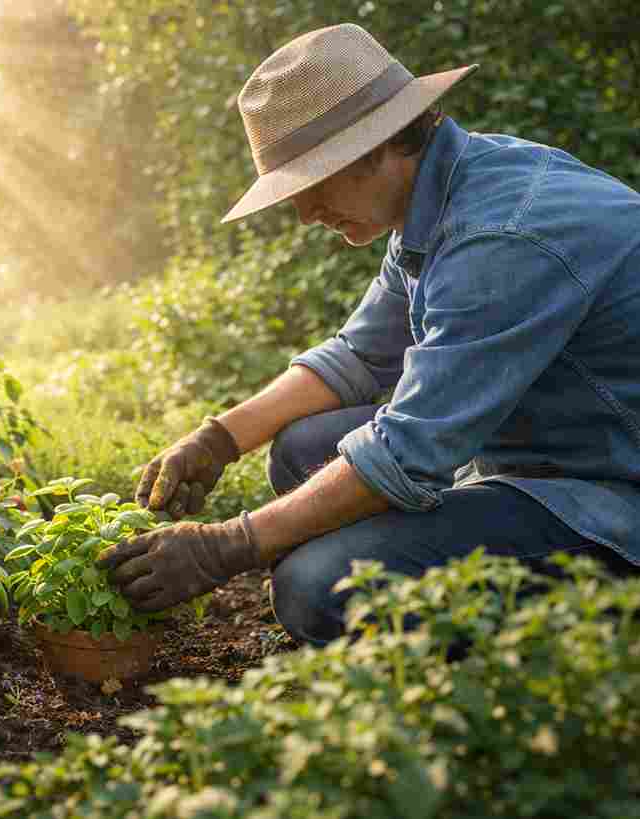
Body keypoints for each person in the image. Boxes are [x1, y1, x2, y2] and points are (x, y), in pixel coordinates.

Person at [96, 23, 640, 646]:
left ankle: (565, 649)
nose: (304, 213)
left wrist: (225, 547)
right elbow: (357, 357)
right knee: (303, 449)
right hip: (543, 447)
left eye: (311, 184)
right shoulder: (445, 193)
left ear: (378, 146)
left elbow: (406, 453)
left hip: (609, 491)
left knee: (316, 586)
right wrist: (218, 439)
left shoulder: (499, 238)